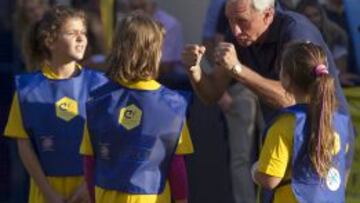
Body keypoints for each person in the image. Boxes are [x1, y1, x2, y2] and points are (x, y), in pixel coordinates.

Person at [182, 0, 353, 168]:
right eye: (229, 20)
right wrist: (194, 70)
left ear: (267, 15)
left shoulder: (295, 31)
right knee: (273, 192)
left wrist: (237, 69)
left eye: (242, 21)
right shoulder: (239, 35)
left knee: (312, 196)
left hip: (325, 135)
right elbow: (212, 94)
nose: (235, 30)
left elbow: (290, 98)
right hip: (282, 137)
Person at [80, 13, 193, 203]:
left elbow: (90, 161)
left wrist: (93, 198)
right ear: (154, 53)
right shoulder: (171, 103)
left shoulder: (98, 99)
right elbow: (176, 164)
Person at [3, 5, 107, 203]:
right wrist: (49, 193)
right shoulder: (27, 88)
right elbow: (24, 145)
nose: (81, 38)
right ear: (50, 41)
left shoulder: (100, 85)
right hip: (46, 192)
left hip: (90, 191)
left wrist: (88, 184)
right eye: (72, 33)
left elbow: (111, 139)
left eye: (83, 33)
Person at [253, 41, 349, 203]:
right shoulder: (339, 122)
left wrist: (255, 170)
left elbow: (270, 180)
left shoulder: (284, 126)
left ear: (287, 79)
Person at [297, 0, 359, 86]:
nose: (313, 19)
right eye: (308, 16)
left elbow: (340, 70)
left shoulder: (336, 34)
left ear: (321, 16)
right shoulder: (294, 38)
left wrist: (337, 75)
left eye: (316, 15)